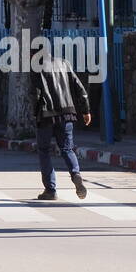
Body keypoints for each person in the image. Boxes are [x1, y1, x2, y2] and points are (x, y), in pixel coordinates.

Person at [31, 53, 92, 201]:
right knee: (67, 148)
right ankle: (76, 174)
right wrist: (86, 110)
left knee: (44, 150)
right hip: (67, 112)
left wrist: (35, 113)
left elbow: (36, 92)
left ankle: (50, 190)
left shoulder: (36, 67)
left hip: (46, 114)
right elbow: (79, 88)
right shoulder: (65, 63)